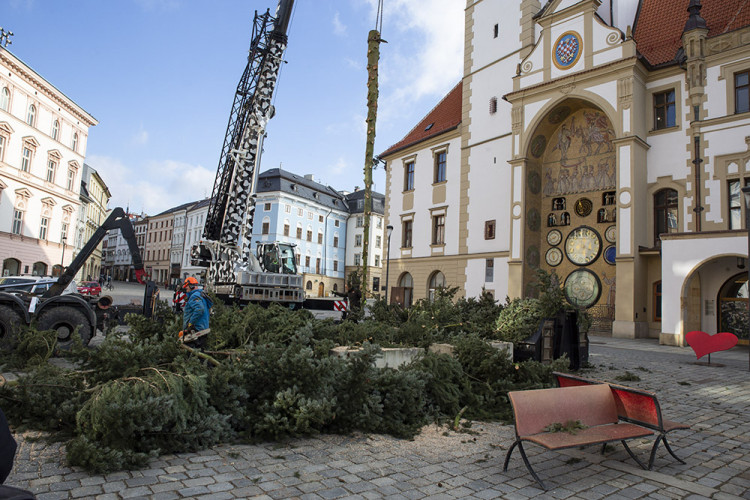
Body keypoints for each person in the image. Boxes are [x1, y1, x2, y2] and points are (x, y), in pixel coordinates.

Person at [179, 276, 213, 350]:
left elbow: (199, 309)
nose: (186, 289)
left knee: (192, 354)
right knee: (199, 352)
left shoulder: (194, 296)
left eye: (187, 287)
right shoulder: (200, 295)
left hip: (196, 330)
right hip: (201, 329)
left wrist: (190, 323)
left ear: (191, 286)